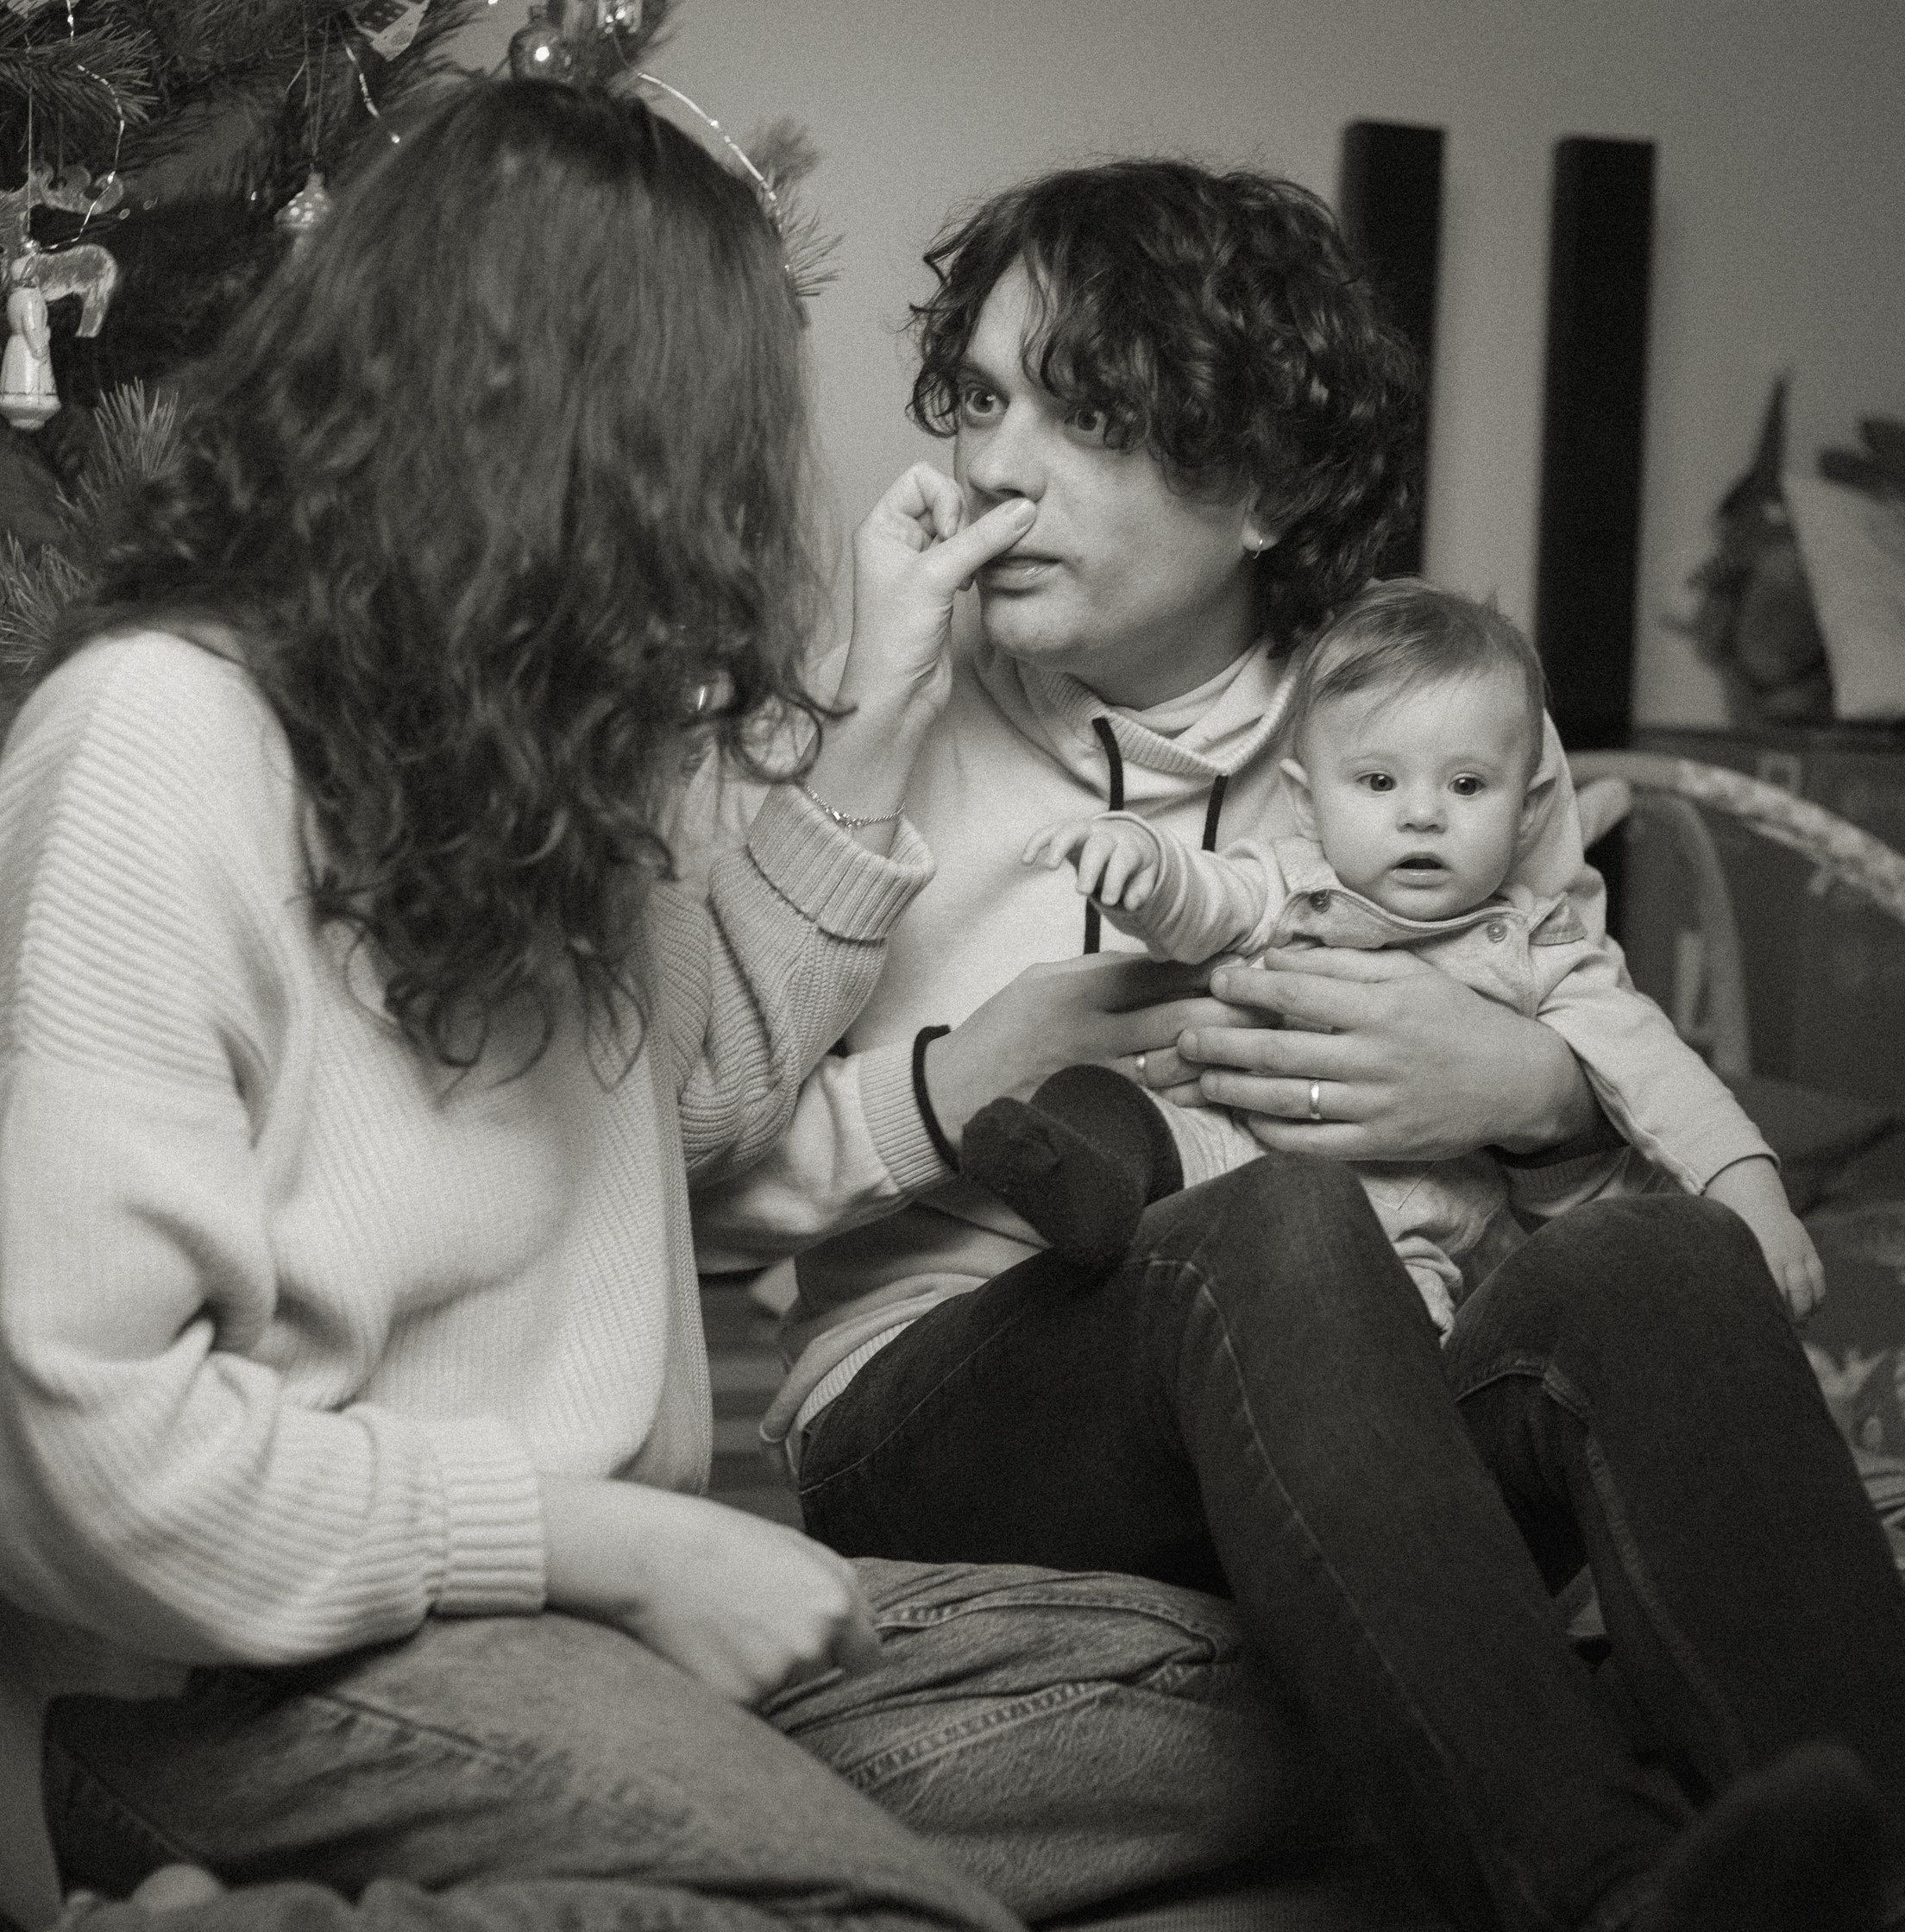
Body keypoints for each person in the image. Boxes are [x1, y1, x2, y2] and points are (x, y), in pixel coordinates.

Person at [0, 75, 1091, 1932]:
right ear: (605, 440)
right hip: (205, 1693)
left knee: (1233, 1701)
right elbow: (88, 1472)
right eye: (739, 421)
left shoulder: (552, 738)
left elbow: (688, 1101)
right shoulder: (153, 743)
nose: (767, 486)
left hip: (558, 1633)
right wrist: (598, 1542)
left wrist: (885, 709)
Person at [697, 157, 1905, 1932]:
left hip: (1363, 1408)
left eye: (1082, 413)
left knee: (1650, 1255)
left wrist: (1534, 1100)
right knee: (1267, 1226)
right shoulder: (851, 703)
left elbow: (1595, 1037)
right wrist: (955, 1085)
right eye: (981, 396)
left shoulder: (1432, 731)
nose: (993, 465)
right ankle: (1598, 1897)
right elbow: (686, 1186)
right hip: (943, 1408)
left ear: (1261, 484)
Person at [992, 577, 1819, 1327]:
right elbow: (1204, 905)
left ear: (1528, 812)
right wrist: (1138, 870)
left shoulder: (1540, 950)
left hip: (1401, 1227)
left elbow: (1663, 1077)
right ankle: (1076, 1175)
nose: (1422, 814)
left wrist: (1754, 1193)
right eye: (1379, 783)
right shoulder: (1289, 879)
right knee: (1125, 1116)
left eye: (1466, 786)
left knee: (1405, 1326)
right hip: (1226, 1162)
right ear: (1306, 804)